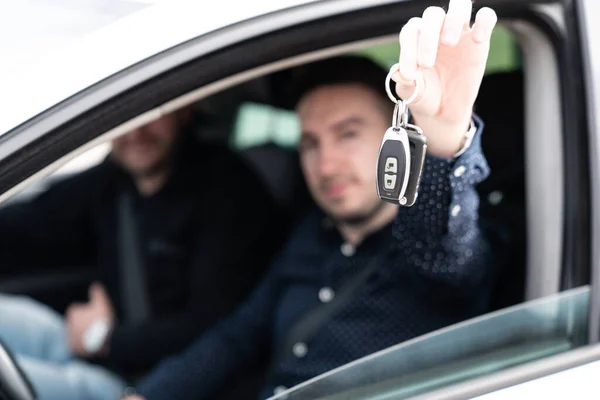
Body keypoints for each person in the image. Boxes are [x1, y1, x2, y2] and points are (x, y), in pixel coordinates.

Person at [126, 1, 507, 399]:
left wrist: (442, 139)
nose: (326, 165)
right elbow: (237, 337)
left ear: (397, 137)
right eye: (310, 143)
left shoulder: (435, 253)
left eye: (347, 134)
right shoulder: (311, 234)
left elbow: (443, 243)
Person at [0, 108, 284, 400]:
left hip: (143, 384)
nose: (135, 132)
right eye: (122, 119)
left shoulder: (229, 191)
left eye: (152, 113)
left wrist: (105, 338)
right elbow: (36, 220)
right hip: (94, 343)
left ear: (183, 111)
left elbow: (218, 332)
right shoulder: (113, 179)